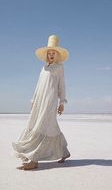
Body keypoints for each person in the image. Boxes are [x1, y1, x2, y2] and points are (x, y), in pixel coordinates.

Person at [12, 34, 70, 170]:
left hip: (50, 101)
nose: (51, 55)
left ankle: (34, 159)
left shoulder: (59, 68)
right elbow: (38, 85)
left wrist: (62, 102)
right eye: (49, 53)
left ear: (57, 55)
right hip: (40, 101)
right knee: (50, 126)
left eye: (53, 53)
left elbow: (62, 85)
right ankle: (64, 152)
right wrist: (34, 99)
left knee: (42, 126)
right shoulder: (44, 68)